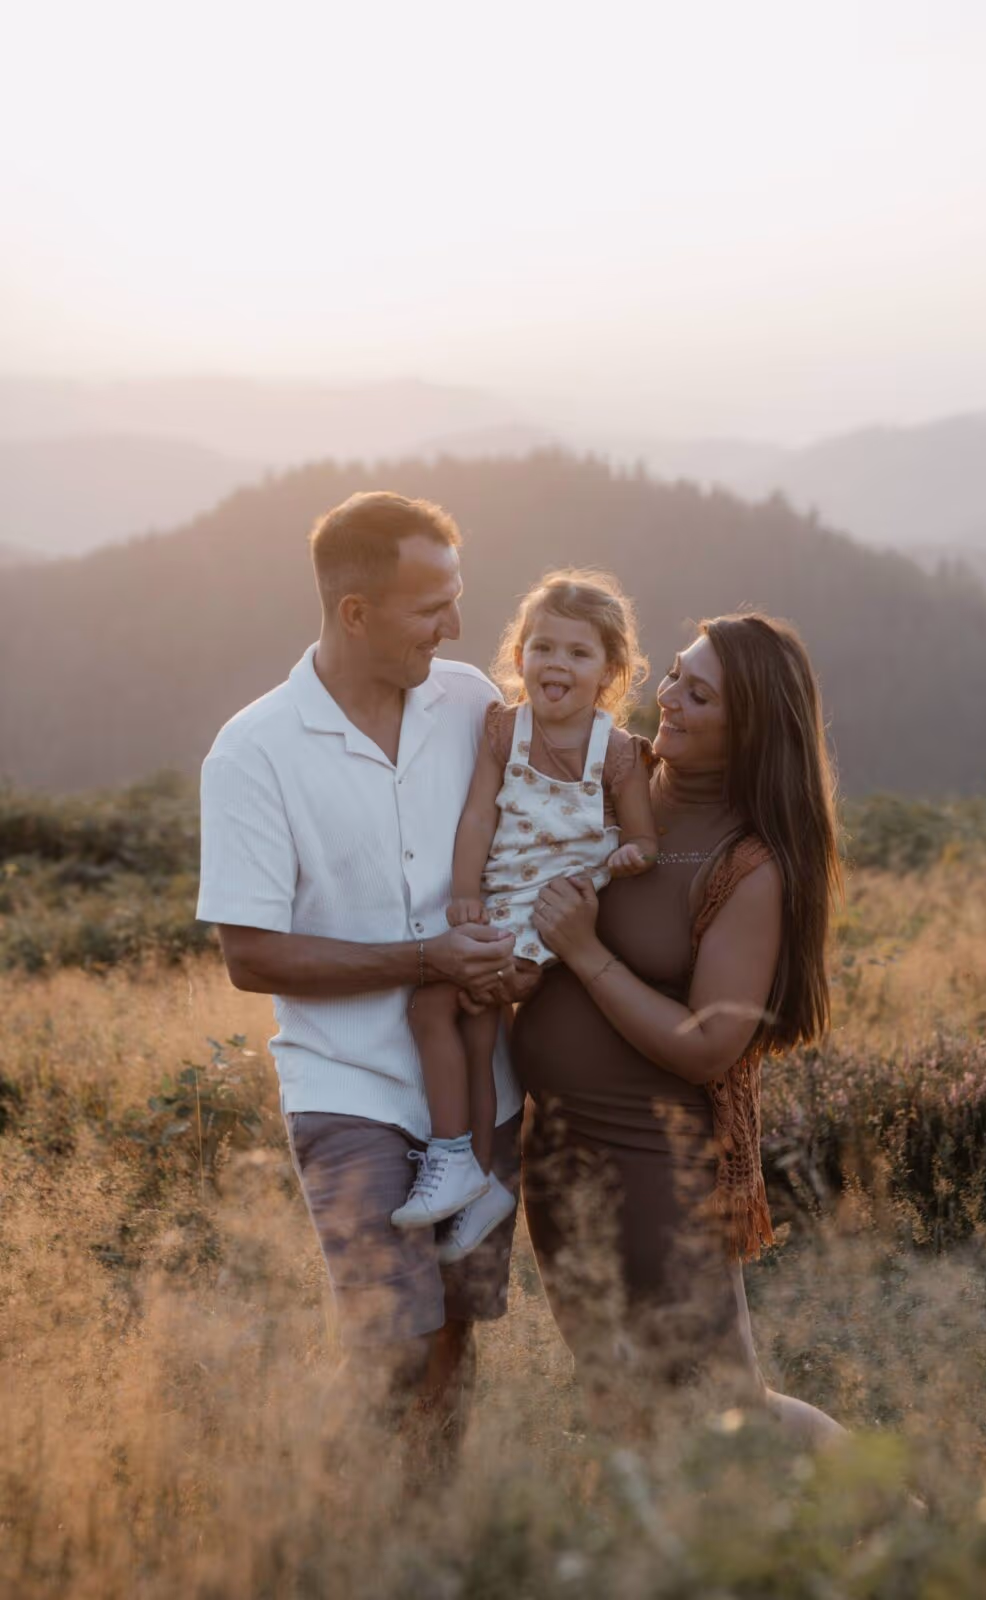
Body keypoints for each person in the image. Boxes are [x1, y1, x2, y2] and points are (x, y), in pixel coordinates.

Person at [196, 490, 523, 1448]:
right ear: (355, 612)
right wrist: (425, 958)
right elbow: (248, 955)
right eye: (433, 608)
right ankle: (349, 1525)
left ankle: (428, 1538)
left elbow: (551, 809)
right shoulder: (253, 751)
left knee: (456, 1331)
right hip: (348, 1087)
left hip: (485, 1087)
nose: (456, 627)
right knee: (392, 1339)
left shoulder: (470, 701)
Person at [515, 613, 846, 1445]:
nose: (668, 699)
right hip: (556, 1143)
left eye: (699, 695)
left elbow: (708, 1045)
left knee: (723, 1402)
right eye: (671, 675)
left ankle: (889, 1516)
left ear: (750, 732)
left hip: (657, 1156)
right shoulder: (609, 773)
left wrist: (584, 954)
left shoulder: (748, 864)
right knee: (611, 1386)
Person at [393, 570, 658, 1260]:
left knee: (431, 1003)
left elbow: (643, 836)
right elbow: (479, 812)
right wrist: (463, 893)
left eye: (577, 653)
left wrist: (631, 855)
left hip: (548, 918)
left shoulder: (618, 753)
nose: (556, 664)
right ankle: (479, 1182)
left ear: (608, 671)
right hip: (496, 907)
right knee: (478, 1031)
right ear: (519, 657)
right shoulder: (502, 731)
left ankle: (453, 1156)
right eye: (542, 647)